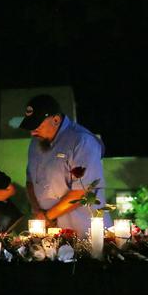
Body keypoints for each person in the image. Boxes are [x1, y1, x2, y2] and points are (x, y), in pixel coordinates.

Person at [21, 94, 111, 237]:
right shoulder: (35, 143)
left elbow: (82, 191)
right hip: (48, 232)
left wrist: (48, 216)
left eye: (37, 126)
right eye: (30, 127)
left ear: (55, 119)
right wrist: (38, 211)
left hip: (84, 232)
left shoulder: (82, 141)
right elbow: (30, 182)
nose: (32, 132)